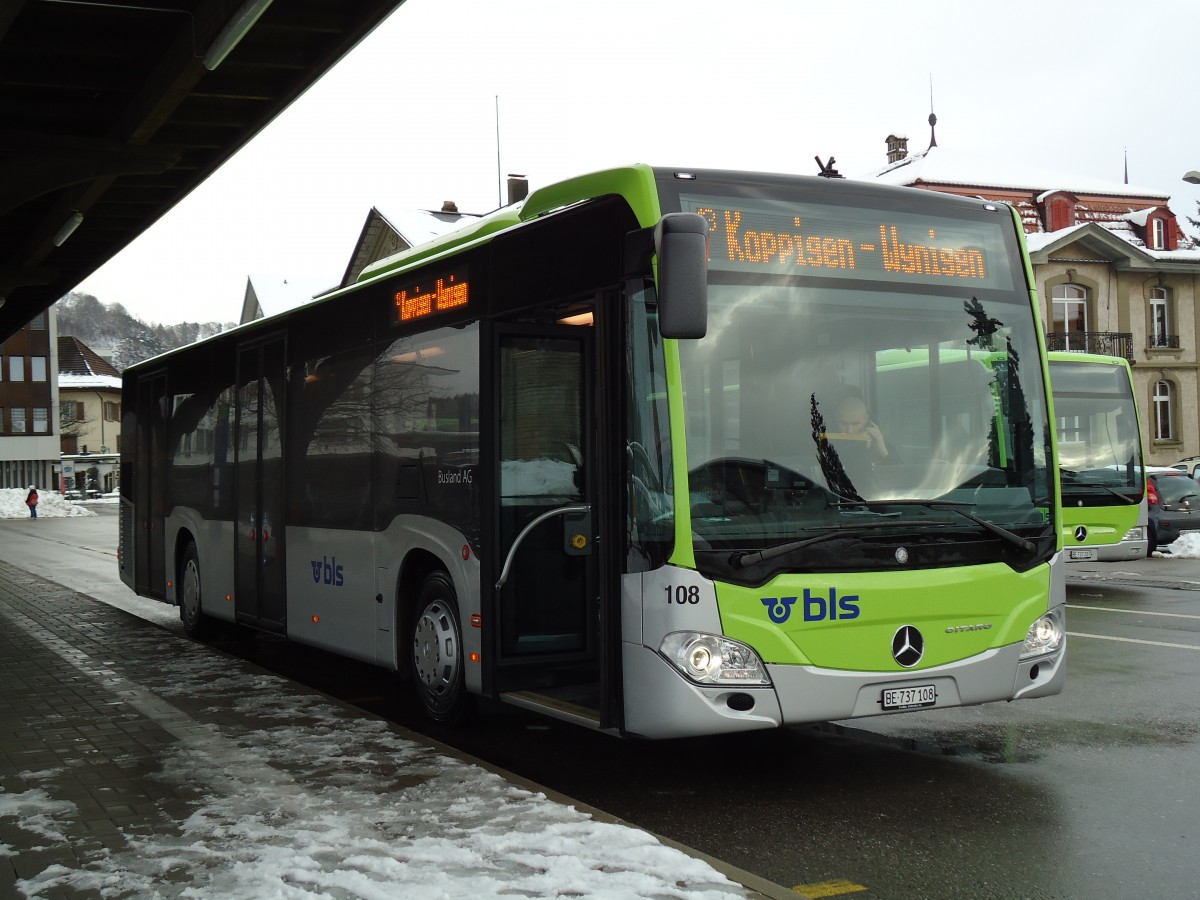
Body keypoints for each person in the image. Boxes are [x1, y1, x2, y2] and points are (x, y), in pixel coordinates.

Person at [835, 395, 892, 461]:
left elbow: (899, 469)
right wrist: (859, 447)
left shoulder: (877, 441)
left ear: (866, 418)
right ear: (836, 418)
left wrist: (882, 451)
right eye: (844, 423)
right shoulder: (827, 442)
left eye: (855, 424)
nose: (849, 430)